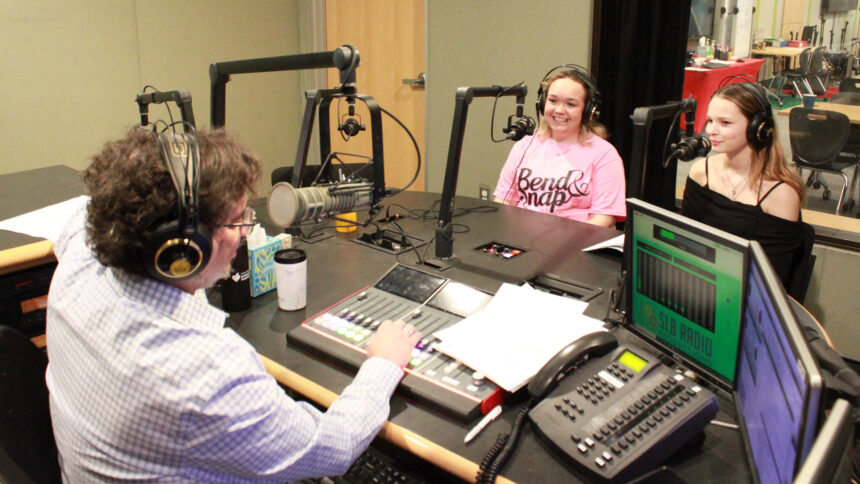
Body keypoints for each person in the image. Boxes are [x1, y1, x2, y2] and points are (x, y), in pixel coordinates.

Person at [46, 126, 422, 482]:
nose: (247, 232)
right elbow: (333, 446)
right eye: (238, 220)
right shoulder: (205, 374)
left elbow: (84, 211)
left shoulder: (82, 257)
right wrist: (382, 365)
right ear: (184, 249)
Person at [681, 82, 807, 289]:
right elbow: (685, 243)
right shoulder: (700, 172)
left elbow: (772, 282)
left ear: (758, 128)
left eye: (725, 123)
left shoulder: (781, 195)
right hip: (697, 286)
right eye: (710, 120)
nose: (711, 130)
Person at [493, 67, 626, 227]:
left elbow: (603, 219)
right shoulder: (525, 146)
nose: (559, 110)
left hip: (575, 245)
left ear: (587, 110)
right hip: (524, 240)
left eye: (571, 104)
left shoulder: (605, 154)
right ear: (542, 103)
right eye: (553, 101)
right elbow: (504, 200)